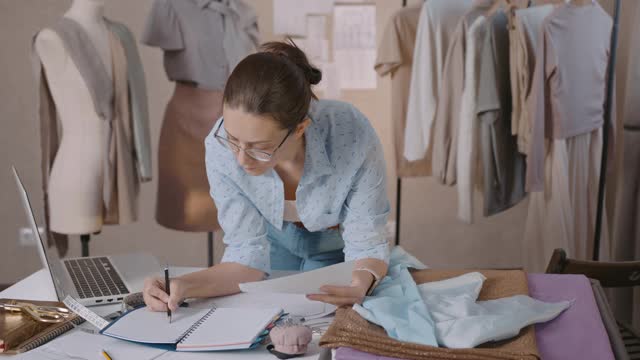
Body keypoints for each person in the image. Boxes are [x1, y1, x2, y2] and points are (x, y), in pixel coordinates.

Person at [143, 40, 390, 310]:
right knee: (270, 315)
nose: (240, 159)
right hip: (274, 245)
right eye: (233, 138)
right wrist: (181, 286)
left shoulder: (350, 133)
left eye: (260, 148)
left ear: (299, 129)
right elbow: (246, 256)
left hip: (338, 250)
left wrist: (359, 284)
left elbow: (366, 243)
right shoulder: (220, 147)